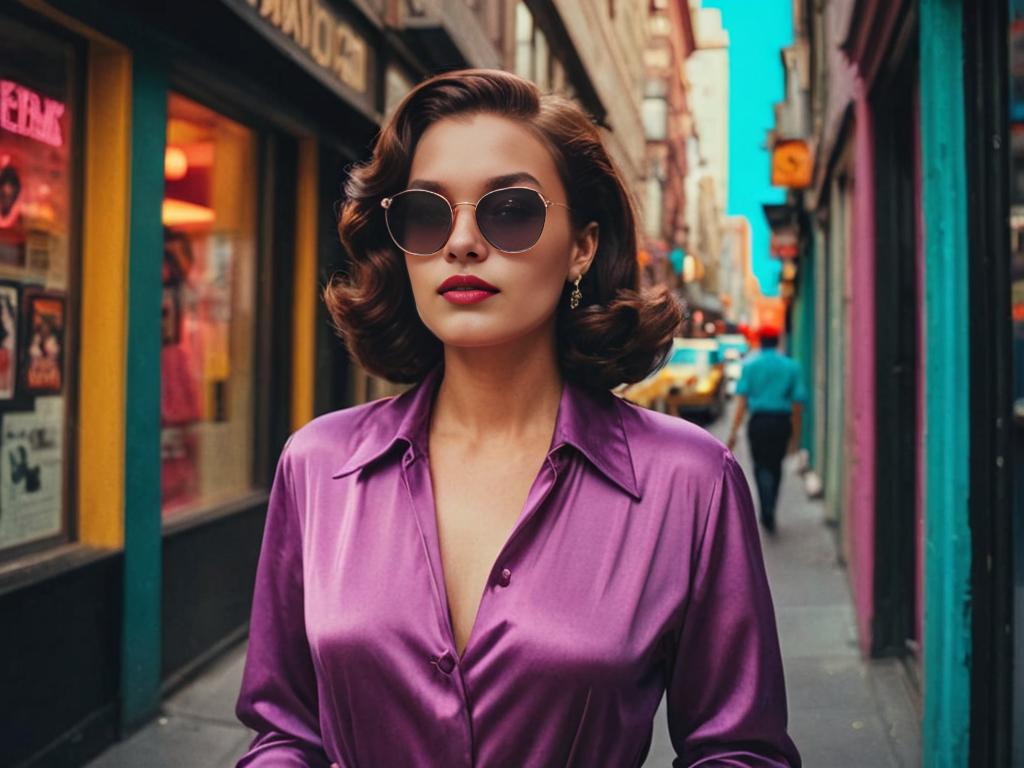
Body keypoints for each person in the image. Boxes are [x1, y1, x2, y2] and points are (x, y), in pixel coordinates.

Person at [235, 69, 800, 767]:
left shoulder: (689, 482)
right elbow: (286, 731)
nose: (463, 242)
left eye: (509, 211)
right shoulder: (319, 466)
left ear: (582, 247)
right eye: (427, 213)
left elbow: (739, 749)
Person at [726, 327, 807, 533]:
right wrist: (796, 436)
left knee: (760, 466)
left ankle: (765, 509)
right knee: (776, 465)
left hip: (759, 423)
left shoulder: (750, 365)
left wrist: (734, 432)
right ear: (777, 341)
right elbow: (797, 403)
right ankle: (770, 507)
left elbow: (742, 401)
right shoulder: (791, 366)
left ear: (761, 341)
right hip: (781, 422)